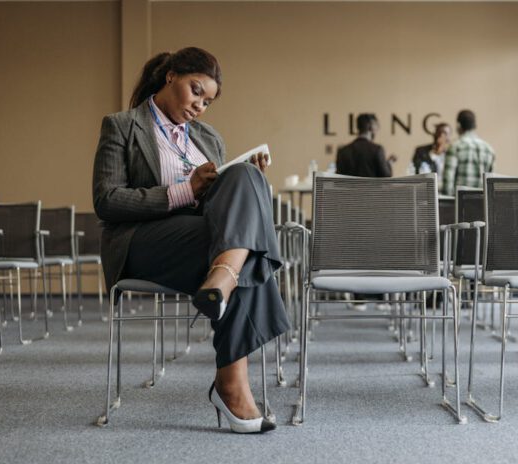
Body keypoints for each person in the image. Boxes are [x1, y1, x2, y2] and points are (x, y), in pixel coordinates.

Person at [92, 47, 289, 434]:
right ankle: (231, 384)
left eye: (207, 101)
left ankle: (223, 277)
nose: (200, 105)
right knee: (247, 251)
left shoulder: (209, 137)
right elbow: (106, 200)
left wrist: (243, 180)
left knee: (249, 179)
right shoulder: (122, 125)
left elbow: (223, 205)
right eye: (195, 91)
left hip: (202, 239)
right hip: (142, 240)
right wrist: (185, 190)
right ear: (171, 77)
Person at [442, 110, 495, 195]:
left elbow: (448, 182)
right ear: (474, 125)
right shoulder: (489, 149)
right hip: (482, 205)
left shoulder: (455, 147)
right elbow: (491, 184)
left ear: (458, 125)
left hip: (460, 205)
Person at [336, 113, 395, 178]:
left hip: (348, 188)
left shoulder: (343, 151)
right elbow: (386, 175)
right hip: (372, 188)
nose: (377, 130)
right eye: (377, 126)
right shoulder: (377, 150)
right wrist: (389, 163)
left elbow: (338, 177)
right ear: (371, 127)